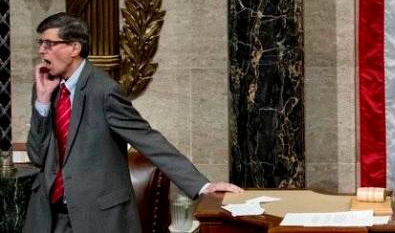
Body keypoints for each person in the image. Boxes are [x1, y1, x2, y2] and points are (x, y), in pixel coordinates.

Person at [24, 12, 242, 233]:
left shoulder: (104, 91)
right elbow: (37, 155)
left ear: (74, 48)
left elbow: (148, 139)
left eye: (50, 43)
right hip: (48, 217)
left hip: (98, 218)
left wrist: (202, 185)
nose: (42, 50)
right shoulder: (45, 89)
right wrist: (41, 103)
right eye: (41, 43)